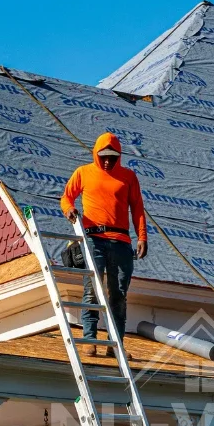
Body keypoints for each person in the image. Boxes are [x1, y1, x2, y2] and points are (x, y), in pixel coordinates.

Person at [59, 132, 148, 358]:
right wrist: (70, 211)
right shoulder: (84, 172)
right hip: (94, 239)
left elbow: (137, 208)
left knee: (118, 294)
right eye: (104, 156)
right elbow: (66, 197)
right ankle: (90, 340)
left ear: (118, 156)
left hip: (121, 242)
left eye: (112, 156)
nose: (107, 161)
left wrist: (142, 237)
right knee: (92, 291)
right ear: (96, 154)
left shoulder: (128, 177)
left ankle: (115, 344)